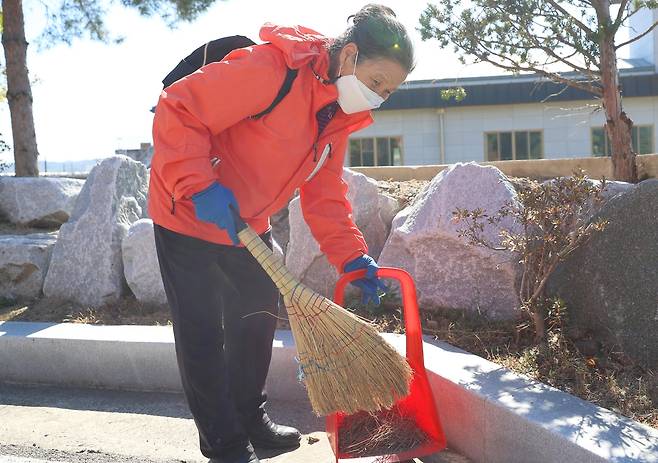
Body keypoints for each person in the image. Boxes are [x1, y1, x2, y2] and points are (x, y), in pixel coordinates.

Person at [148, 4, 415, 463]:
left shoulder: (336, 113)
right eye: (375, 82)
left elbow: (324, 191)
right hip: (188, 213)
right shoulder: (273, 70)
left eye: (387, 92)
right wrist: (199, 186)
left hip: (245, 226)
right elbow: (180, 108)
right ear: (349, 55)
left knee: (255, 321)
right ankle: (224, 443)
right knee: (202, 333)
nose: (377, 97)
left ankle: (250, 418)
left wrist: (351, 256)